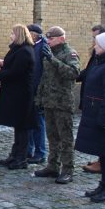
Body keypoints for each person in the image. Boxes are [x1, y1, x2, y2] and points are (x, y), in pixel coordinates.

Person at [34, 26, 80, 184]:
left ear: (61, 38)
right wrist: (39, 98)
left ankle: (68, 170)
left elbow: (73, 73)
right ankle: (52, 166)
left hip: (62, 103)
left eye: (51, 38)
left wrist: (53, 60)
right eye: (47, 38)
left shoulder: (69, 53)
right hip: (49, 102)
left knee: (65, 138)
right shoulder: (49, 53)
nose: (48, 41)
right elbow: (44, 78)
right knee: (52, 137)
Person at [75, 32, 105, 203]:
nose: (94, 47)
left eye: (97, 44)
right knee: (103, 153)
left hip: (104, 118)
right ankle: (103, 184)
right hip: (95, 113)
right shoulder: (100, 63)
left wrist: (104, 118)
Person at [0, 24, 37, 169]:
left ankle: (21, 158)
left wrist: (0, 74)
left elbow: (16, 72)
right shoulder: (18, 50)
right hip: (15, 93)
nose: (10, 35)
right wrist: (4, 65)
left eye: (12, 33)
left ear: (18, 35)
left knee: (22, 127)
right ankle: (15, 155)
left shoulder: (25, 51)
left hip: (22, 95)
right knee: (18, 127)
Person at [26, 24, 48, 165]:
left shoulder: (43, 48)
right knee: (29, 121)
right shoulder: (32, 46)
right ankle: (28, 149)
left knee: (38, 123)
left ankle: (40, 153)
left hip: (39, 91)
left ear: (34, 34)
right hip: (30, 90)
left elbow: (42, 72)